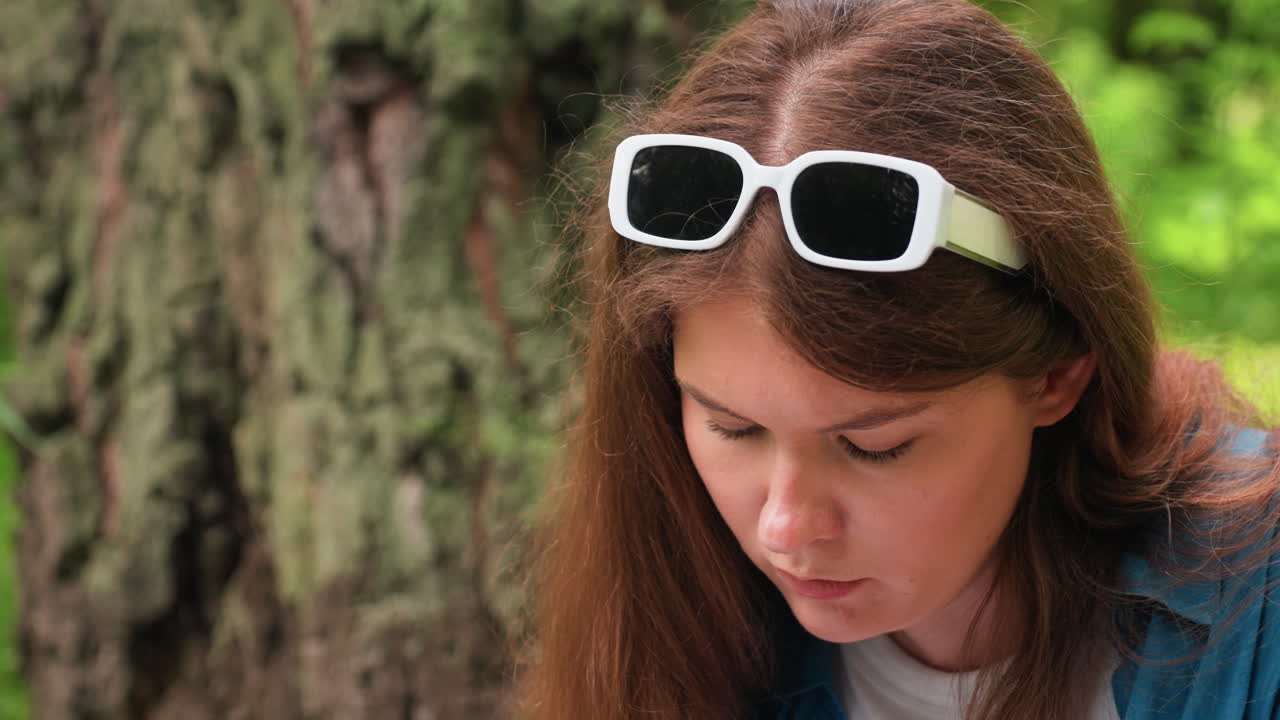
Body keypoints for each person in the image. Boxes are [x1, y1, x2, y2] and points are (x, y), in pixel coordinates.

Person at [519, 1, 1280, 718]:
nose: (787, 528)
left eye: (872, 445)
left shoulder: (1258, 607)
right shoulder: (677, 622)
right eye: (732, 428)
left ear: (1058, 372)